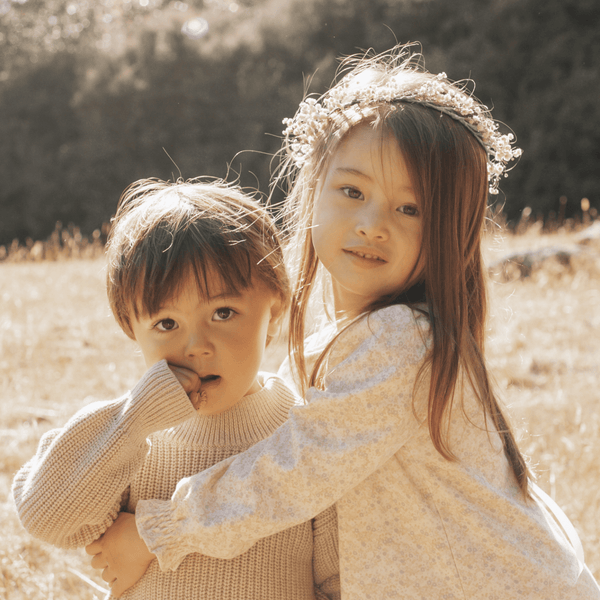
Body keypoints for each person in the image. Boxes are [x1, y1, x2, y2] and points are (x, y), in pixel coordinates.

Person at [86, 45, 600, 599]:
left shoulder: (404, 338)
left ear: (450, 229)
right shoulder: (344, 338)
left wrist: (159, 528)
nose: (373, 224)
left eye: (411, 208)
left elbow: (299, 470)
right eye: (352, 192)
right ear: (312, 190)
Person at [12, 178, 340, 600]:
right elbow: (47, 519)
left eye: (223, 312)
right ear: (132, 329)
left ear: (273, 314)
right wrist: (133, 420)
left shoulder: (303, 432)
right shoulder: (128, 438)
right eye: (166, 324)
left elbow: (337, 577)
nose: (196, 346)